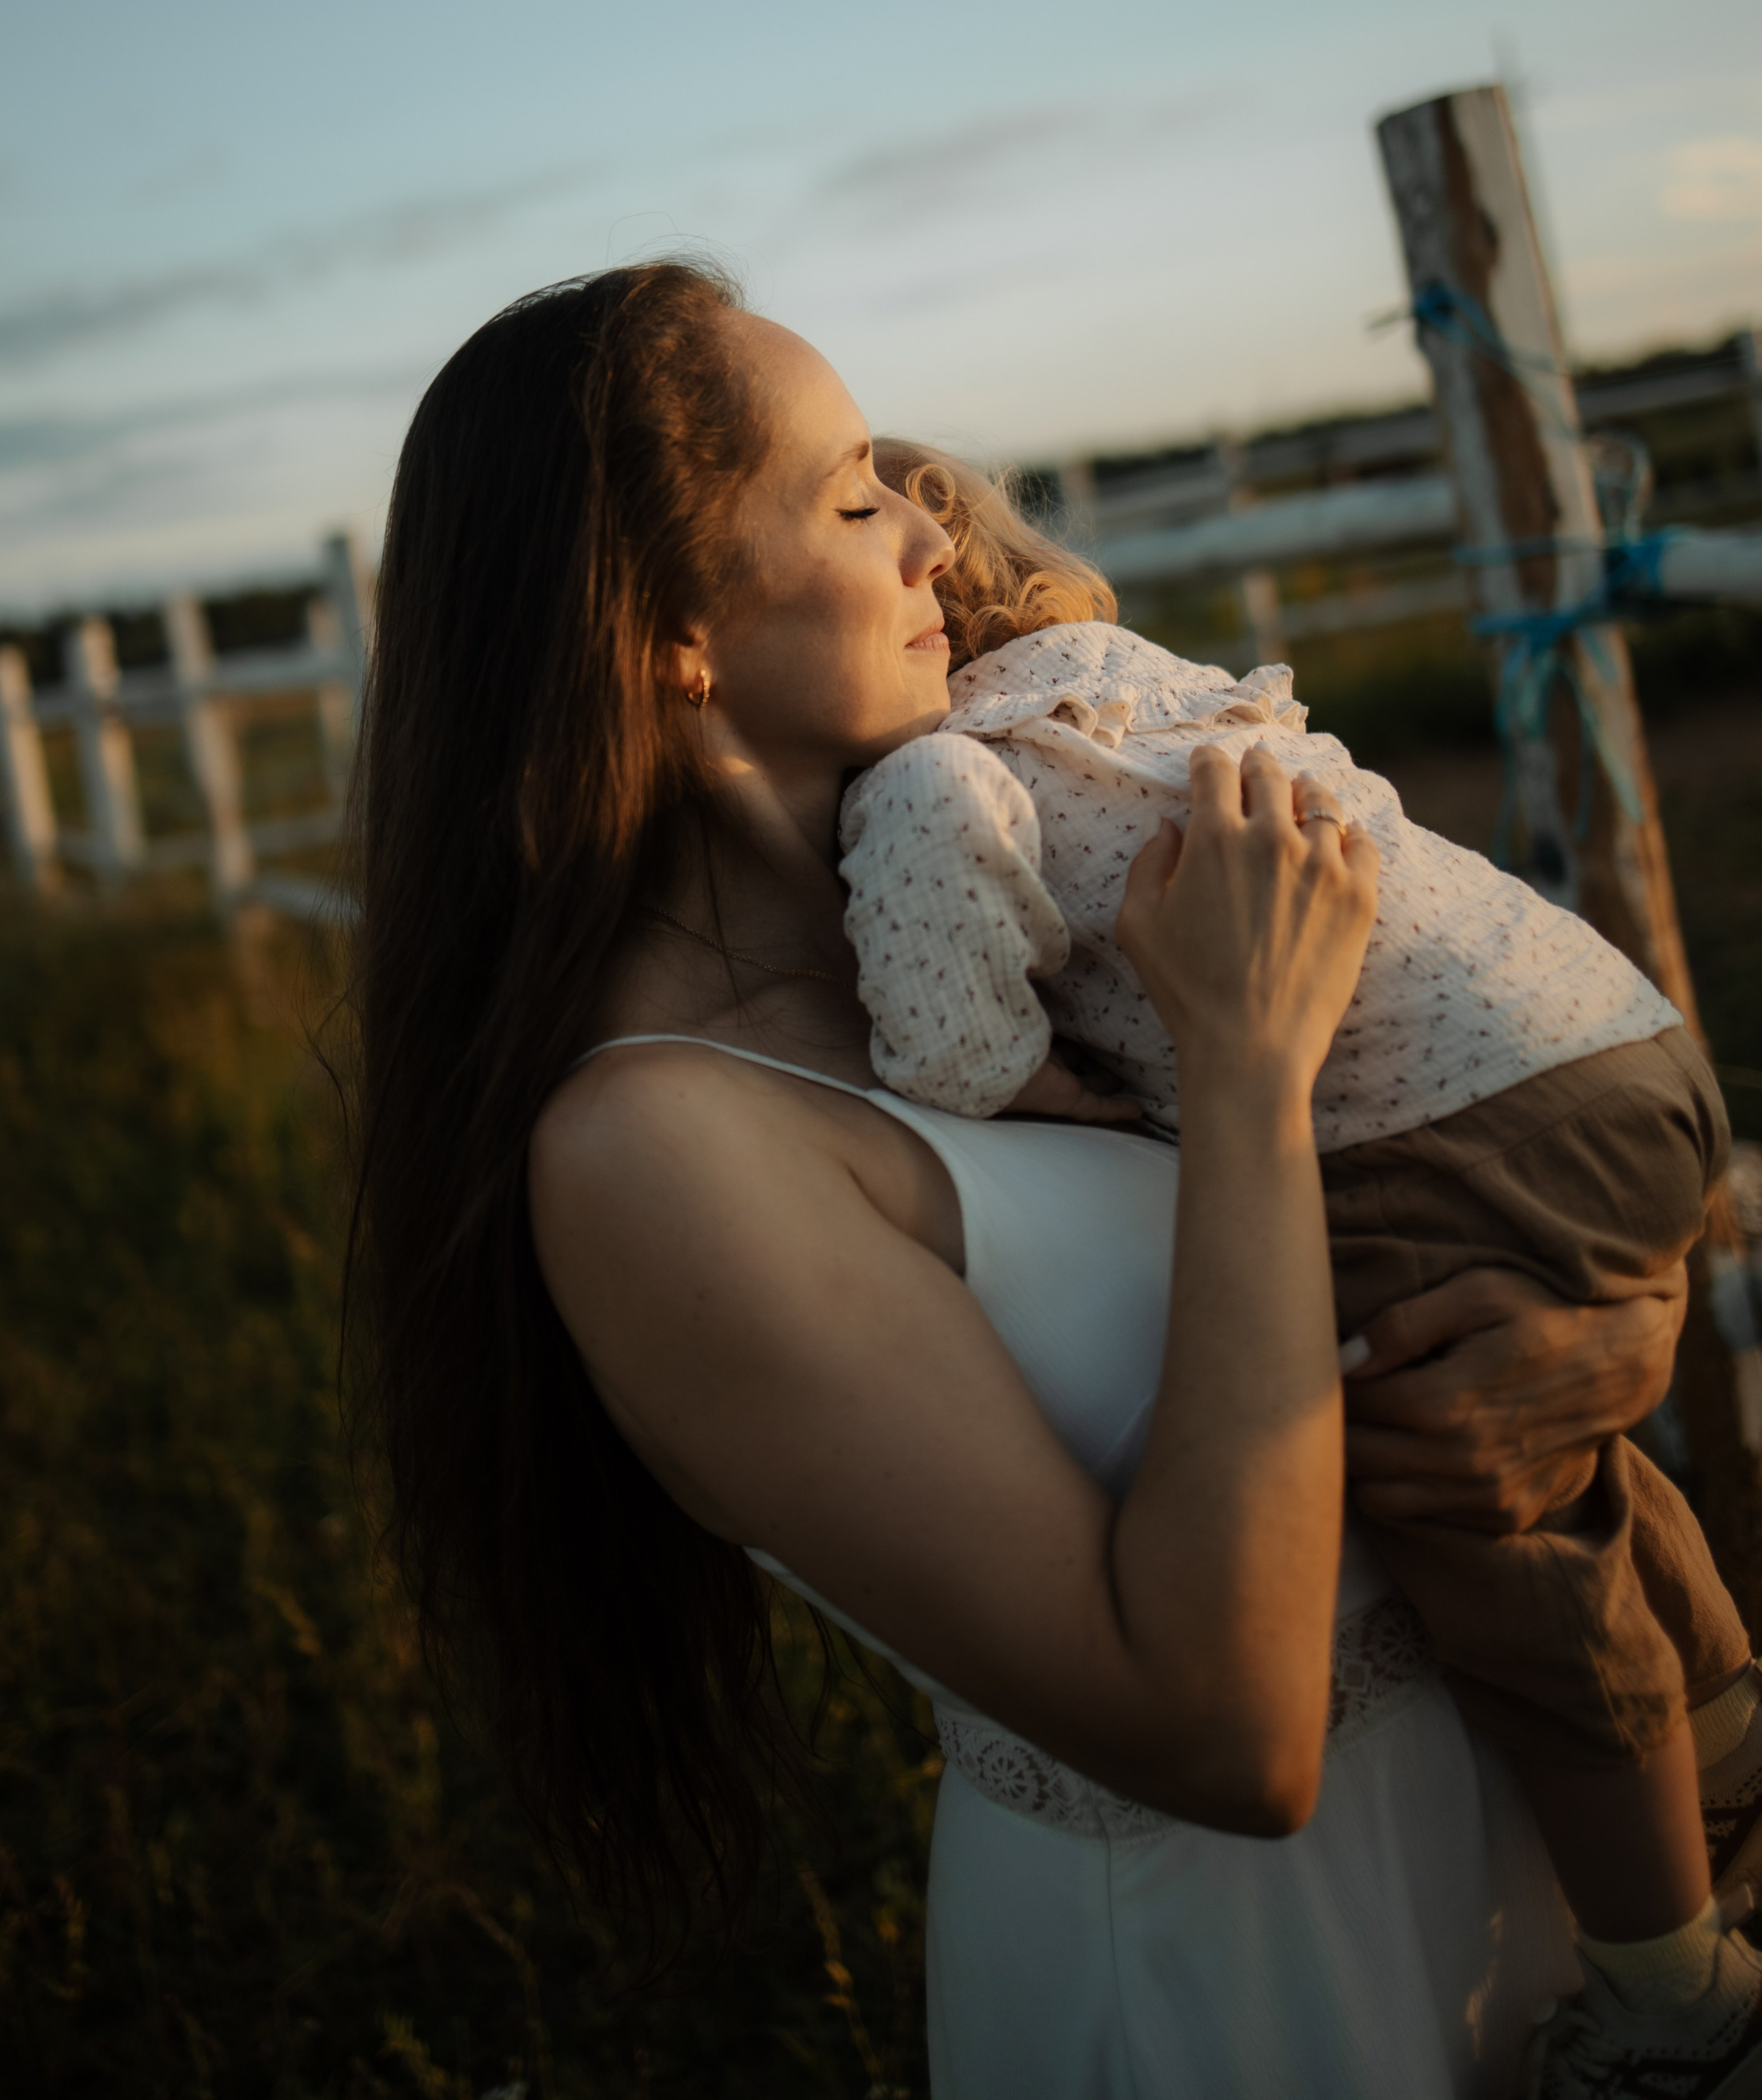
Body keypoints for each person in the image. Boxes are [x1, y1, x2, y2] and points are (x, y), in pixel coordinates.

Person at [348, 260, 1700, 2098]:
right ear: (665, 628)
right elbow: (1223, 1727)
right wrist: (1243, 1069)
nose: (926, 525)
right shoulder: (652, 1149)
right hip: (1234, 1972)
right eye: (846, 496)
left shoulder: (974, 921)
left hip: (1513, 1834)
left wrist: (1597, 1327)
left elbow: (1354, 1266)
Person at [837, 440, 1762, 2093]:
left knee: (1479, 1499)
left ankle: (1668, 1994)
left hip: (1434, 1108)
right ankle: (1725, 1737)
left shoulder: (924, 776)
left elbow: (953, 1048)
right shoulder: (1112, 677)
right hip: (1606, 1034)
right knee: (1557, 1447)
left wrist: (1030, 1081)